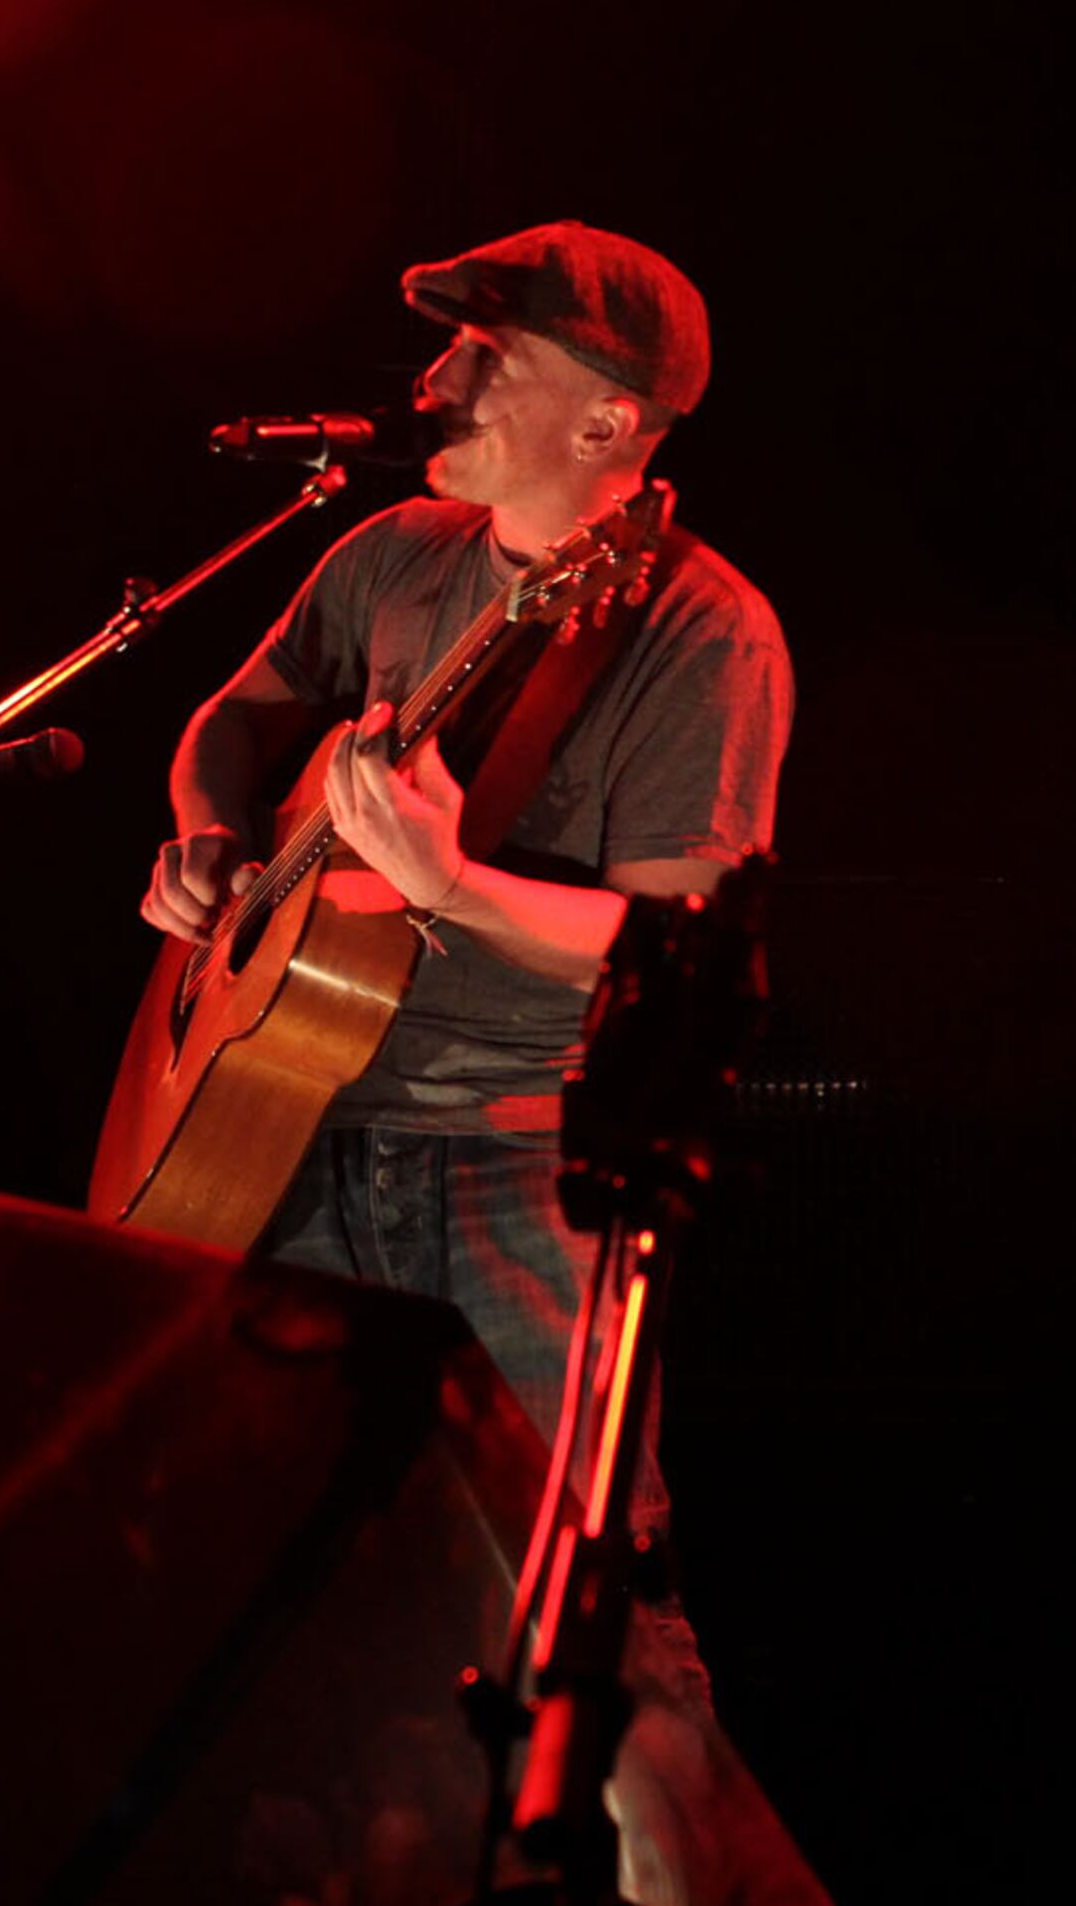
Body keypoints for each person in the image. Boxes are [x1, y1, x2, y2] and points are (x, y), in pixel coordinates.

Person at [139, 221, 792, 1537]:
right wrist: (212, 839)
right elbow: (232, 718)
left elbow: (677, 944)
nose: (434, 382)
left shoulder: (700, 628)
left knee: (562, 1593)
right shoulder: (396, 550)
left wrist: (447, 883)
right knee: (285, 1590)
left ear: (609, 424)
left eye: (485, 353)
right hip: (291, 1137)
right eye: (448, 345)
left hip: (514, 1175)